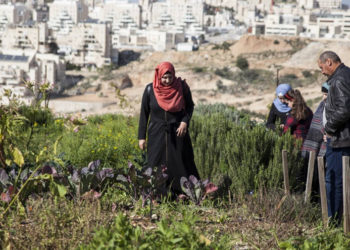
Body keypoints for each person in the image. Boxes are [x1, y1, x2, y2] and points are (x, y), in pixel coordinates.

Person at [138, 61, 200, 194]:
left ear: (174, 75)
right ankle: (156, 195)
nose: (167, 80)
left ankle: (184, 195)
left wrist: (184, 122)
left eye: (170, 77)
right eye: (164, 78)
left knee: (181, 163)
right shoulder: (150, 90)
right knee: (155, 163)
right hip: (156, 133)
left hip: (178, 133)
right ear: (158, 76)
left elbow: (190, 106)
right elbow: (144, 113)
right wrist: (141, 137)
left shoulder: (181, 88)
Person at [319, 51, 350, 226]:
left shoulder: (339, 79)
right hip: (343, 137)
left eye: (322, 67)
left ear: (329, 62)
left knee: (334, 181)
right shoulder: (346, 75)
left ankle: (334, 224)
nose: (322, 71)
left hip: (340, 139)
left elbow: (344, 109)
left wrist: (329, 129)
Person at [301, 82, 330, 158]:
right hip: (317, 146)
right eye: (323, 94)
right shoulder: (321, 106)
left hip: (330, 146)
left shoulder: (339, 109)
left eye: (326, 94)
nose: (324, 97)